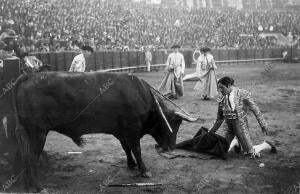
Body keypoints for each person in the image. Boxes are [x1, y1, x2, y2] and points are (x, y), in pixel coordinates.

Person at [209, 76, 276, 158]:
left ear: (229, 85)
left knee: (250, 154)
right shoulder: (222, 98)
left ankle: (265, 145)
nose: (220, 90)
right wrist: (211, 131)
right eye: (219, 88)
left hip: (240, 126)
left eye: (221, 88)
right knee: (222, 151)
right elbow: (220, 117)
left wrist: (263, 123)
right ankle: (235, 142)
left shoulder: (242, 94)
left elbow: (255, 109)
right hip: (229, 126)